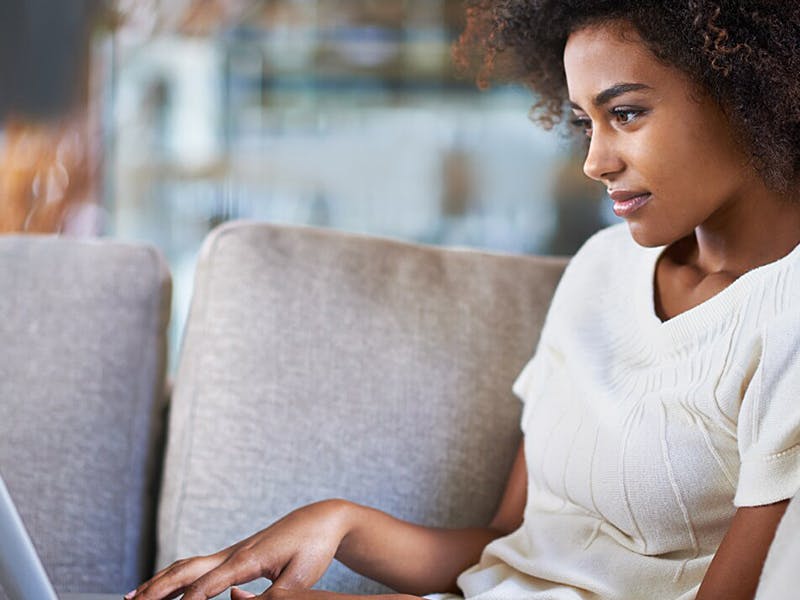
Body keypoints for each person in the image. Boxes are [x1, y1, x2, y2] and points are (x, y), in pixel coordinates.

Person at [126, 1, 800, 599]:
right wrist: (341, 523)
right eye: (584, 122)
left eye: (625, 114)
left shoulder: (787, 319)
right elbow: (511, 545)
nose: (595, 161)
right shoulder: (602, 268)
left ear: (747, 93)